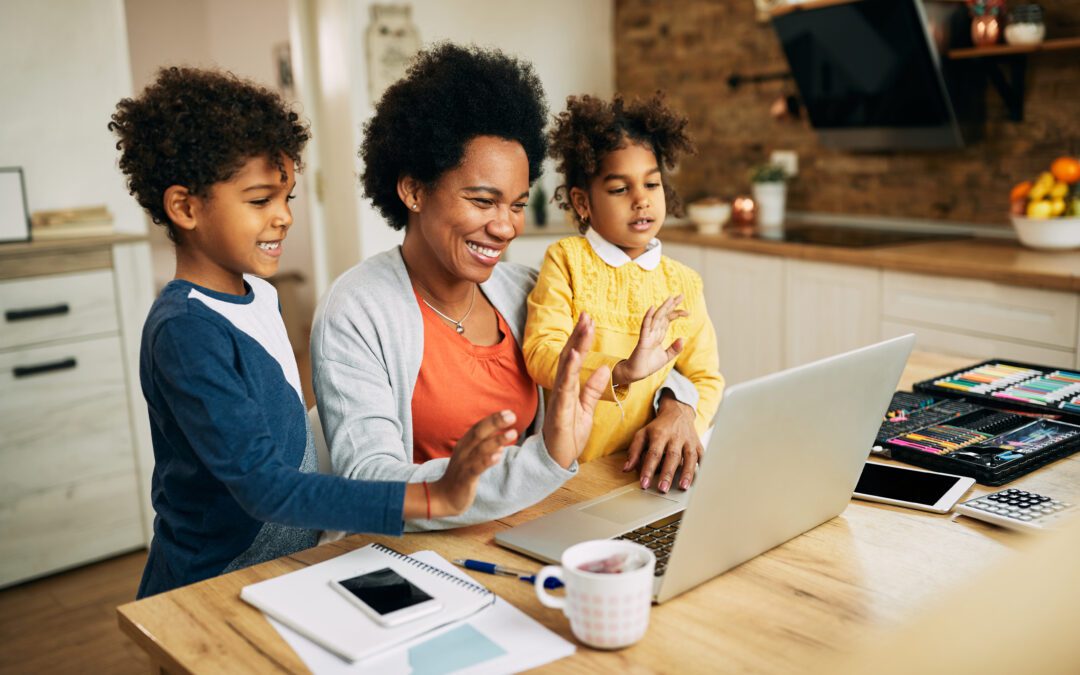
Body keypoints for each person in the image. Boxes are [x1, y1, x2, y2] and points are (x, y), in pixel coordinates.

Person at [110, 67, 516, 598]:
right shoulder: (186, 332)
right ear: (185, 207)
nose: (283, 218)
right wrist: (431, 497)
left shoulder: (257, 295)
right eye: (260, 201)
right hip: (209, 581)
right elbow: (264, 486)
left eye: (288, 198)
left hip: (283, 566)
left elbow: (284, 434)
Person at [311, 43, 695, 531]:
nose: (505, 227)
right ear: (412, 190)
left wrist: (676, 406)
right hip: (417, 559)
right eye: (482, 200)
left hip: (538, 526)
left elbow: (640, 357)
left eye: (516, 204)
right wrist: (541, 462)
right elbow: (368, 480)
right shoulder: (358, 309)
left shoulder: (525, 289)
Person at [524, 93, 725, 493]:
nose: (641, 199)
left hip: (648, 479)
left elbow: (706, 377)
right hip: (575, 478)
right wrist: (619, 371)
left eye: (652, 183)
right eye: (619, 189)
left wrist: (683, 413)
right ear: (583, 202)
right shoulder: (567, 261)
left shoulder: (684, 282)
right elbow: (542, 354)